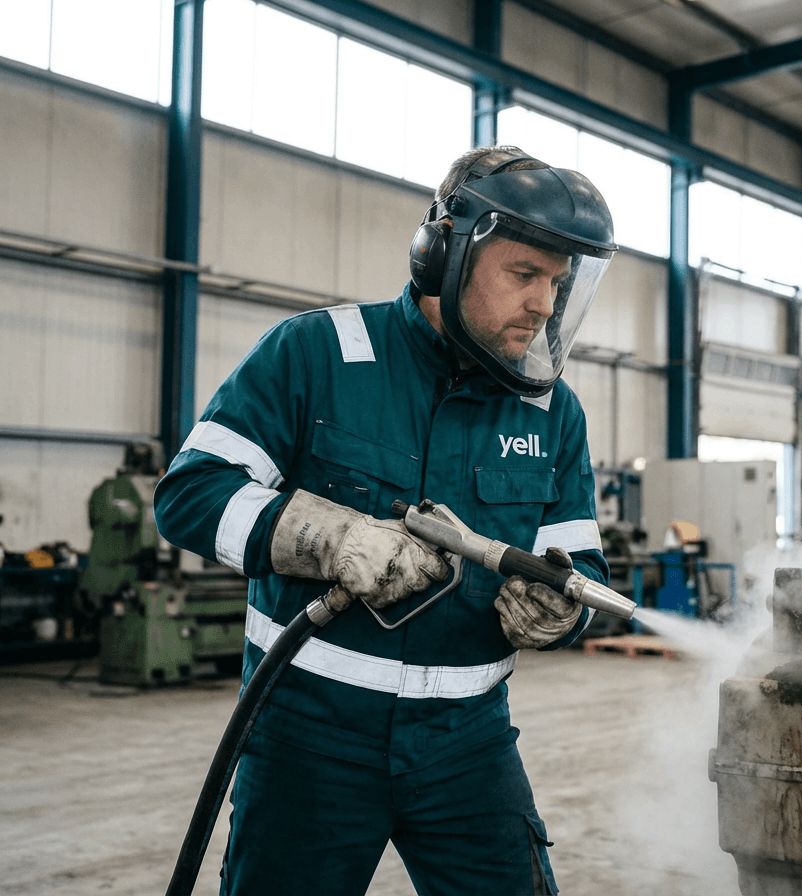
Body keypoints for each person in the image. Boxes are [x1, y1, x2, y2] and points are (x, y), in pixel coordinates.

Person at [154, 145, 617, 896]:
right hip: (309, 737)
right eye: (524, 275)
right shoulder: (314, 354)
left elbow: (581, 565)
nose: (544, 305)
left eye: (558, 283)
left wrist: (560, 608)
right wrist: (325, 536)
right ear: (444, 254)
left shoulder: (552, 412)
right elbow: (189, 494)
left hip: (469, 745)